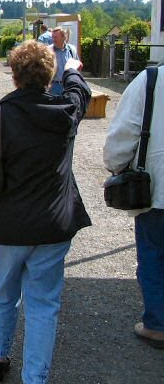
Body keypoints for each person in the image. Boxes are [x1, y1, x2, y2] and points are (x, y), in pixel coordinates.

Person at [0, 41, 91, 383]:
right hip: (52, 225)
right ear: (50, 75)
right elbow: (80, 93)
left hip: (7, 225)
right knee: (43, 304)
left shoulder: (0, 114)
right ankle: (36, 377)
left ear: (14, 75)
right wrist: (73, 71)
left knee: (3, 292)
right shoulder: (66, 111)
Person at [103, 63, 164, 349]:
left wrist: (115, 166)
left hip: (158, 188)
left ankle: (158, 325)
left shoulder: (151, 80)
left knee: (153, 253)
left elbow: (124, 132)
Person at [49, 27, 79, 95]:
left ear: (63, 37)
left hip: (69, 86)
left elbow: (77, 66)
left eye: (55, 37)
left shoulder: (72, 50)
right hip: (53, 86)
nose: (53, 39)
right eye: (52, 37)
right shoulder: (48, 50)